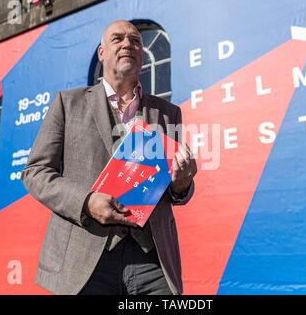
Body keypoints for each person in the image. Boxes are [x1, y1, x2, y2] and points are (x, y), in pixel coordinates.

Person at [21, 20, 197, 295]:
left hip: (152, 259)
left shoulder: (168, 113)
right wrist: (87, 202)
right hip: (84, 256)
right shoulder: (68, 103)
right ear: (101, 52)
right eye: (117, 39)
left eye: (136, 41)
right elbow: (36, 172)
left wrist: (182, 183)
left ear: (141, 54)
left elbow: (175, 188)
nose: (128, 44)